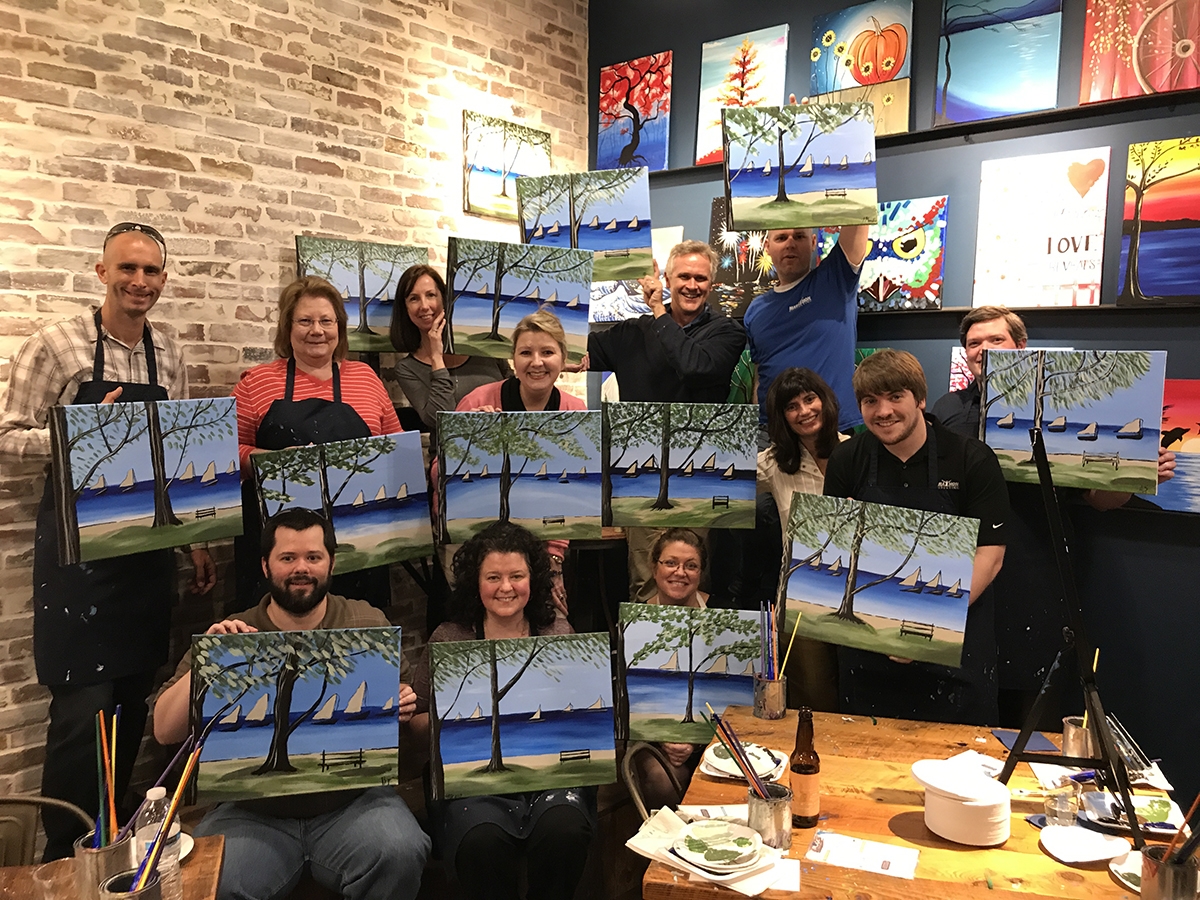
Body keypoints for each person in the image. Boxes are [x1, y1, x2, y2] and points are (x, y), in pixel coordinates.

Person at [0, 222, 215, 860]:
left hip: (146, 555)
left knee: (129, 703)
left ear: (163, 279)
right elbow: (8, 437)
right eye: (127, 268)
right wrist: (79, 432)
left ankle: (113, 851)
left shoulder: (168, 353)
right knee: (81, 716)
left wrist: (194, 540)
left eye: (151, 271)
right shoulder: (56, 346)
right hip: (78, 561)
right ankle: (66, 860)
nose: (139, 282)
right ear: (102, 272)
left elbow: (173, 453)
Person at [151, 508, 429, 900]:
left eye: (313, 557)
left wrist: (403, 704)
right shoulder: (234, 632)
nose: (302, 568)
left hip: (353, 804)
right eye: (288, 558)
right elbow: (164, 730)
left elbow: (401, 713)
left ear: (331, 562)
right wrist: (209, 658)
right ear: (265, 565)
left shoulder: (366, 621)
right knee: (214, 879)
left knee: (401, 848)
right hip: (251, 813)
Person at [930, 306, 1176, 728]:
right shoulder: (947, 408)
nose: (983, 349)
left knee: (1032, 710)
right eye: (973, 343)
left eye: (995, 340)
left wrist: (1134, 473)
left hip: (1036, 573)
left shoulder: (1067, 408)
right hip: (964, 571)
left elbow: (1100, 500)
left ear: (1021, 346)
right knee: (963, 704)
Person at [823, 349, 1010, 726]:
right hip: (868, 655)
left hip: (953, 650)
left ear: (920, 399)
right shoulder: (846, 460)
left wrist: (924, 625)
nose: (883, 411)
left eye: (896, 397)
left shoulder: (971, 459)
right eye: (870, 401)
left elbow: (990, 557)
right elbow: (835, 552)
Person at [411, 522, 594, 900]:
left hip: (550, 776)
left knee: (565, 829)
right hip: (473, 781)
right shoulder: (449, 638)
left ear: (534, 579)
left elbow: (584, 720)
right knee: (481, 840)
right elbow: (416, 723)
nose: (506, 587)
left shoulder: (559, 633)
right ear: (475, 582)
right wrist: (449, 721)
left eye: (517, 576)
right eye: (493, 577)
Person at [231, 276, 402, 609]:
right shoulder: (257, 382)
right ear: (287, 327)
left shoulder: (366, 379)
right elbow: (227, 453)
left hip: (359, 537)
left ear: (339, 327)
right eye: (305, 321)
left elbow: (396, 451)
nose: (317, 330)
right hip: (279, 546)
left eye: (326, 321)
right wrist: (275, 462)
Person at [757, 368, 849, 711]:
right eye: (792, 406)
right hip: (802, 599)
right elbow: (723, 482)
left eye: (810, 399)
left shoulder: (858, 451)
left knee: (859, 694)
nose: (804, 411)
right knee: (813, 697)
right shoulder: (773, 463)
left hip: (861, 594)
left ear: (825, 400)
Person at [585, 240, 745, 403]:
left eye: (700, 278)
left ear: (710, 285)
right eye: (684, 276)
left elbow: (694, 370)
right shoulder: (631, 333)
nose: (692, 286)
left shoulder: (728, 332)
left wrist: (658, 309)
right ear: (668, 280)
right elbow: (575, 347)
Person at [745, 225, 870, 433]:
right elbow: (760, 376)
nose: (790, 244)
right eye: (781, 238)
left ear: (813, 243)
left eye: (799, 237)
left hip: (831, 429)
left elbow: (858, 221)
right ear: (767, 247)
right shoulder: (755, 310)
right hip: (771, 431)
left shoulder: (835, 279)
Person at [635, 528, 710, 811]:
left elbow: (731, 696)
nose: (680, 572)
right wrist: (664, 736)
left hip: (712, 736)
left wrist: (694, 742)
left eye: (691, 565)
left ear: (700, 573)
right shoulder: (633, 621)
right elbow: (628, 700)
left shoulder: (723, 616)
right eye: (670, 563)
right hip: (652, 736)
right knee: (663, 779)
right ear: (654, 568)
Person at [389, 264, 510, 433]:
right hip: (451, 447)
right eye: (414, 299)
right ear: (405, 308)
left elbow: (515, 393)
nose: (424, 306)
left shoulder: (482, 348)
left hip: (503, 440)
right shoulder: (407, 368)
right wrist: (437, 358)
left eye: (431, 295)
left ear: (444, 299)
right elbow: (438, 419)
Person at [455, 309, 587, 413]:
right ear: (514, 359)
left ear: (563, 359)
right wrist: (471, 432)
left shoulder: (576, 410)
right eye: (526, 353)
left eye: (547, 352)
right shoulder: (476, 402)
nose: (536, 362)